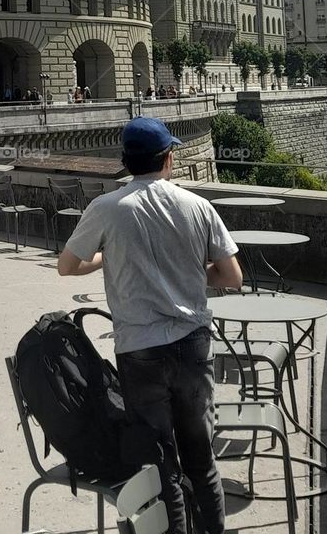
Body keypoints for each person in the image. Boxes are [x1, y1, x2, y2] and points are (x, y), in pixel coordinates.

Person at [57, 117, 242, 534]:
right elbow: (232, 277)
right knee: (201, 459)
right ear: (169, 159)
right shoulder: (196, 206)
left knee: (159, 463)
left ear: (125, 161)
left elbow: (67, 267)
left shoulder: (106, 208)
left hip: (138, 349)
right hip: (192, 343)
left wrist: (109, 257)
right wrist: (194, 277)